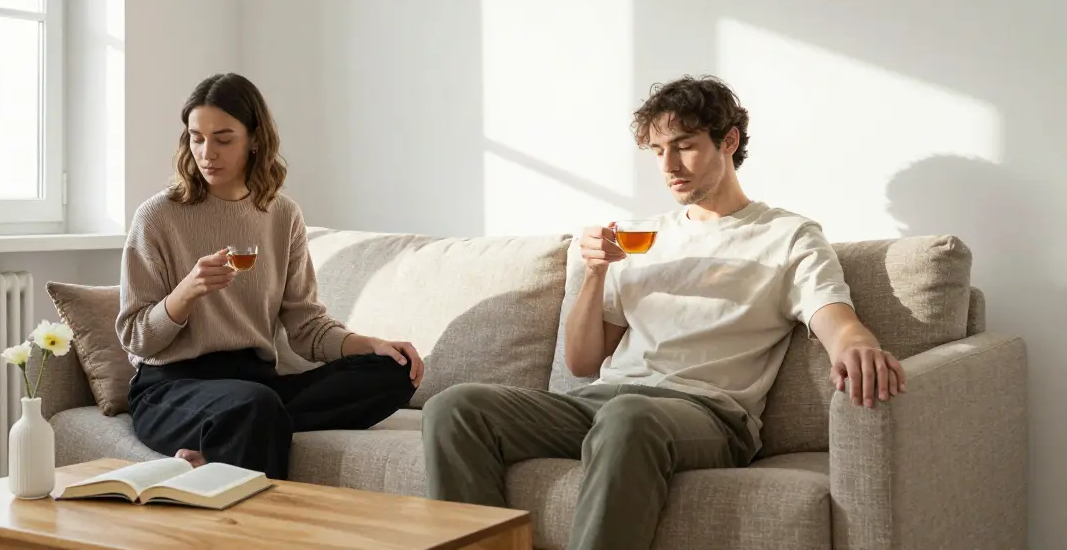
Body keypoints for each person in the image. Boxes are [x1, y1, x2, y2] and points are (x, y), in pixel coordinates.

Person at [421, 75, 905, 550]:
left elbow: (834, 318)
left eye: (685, 145)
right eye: (658, 151)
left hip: (706, 415)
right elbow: (583, 363)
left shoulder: (788, 236)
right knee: (456, 408)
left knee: (631, 417)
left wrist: (858, 346)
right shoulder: (642, 238)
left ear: (728, 141)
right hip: (605, 404)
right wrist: (594, 275)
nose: (670, 164)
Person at [118, 73, 423, 479]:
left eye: (223, 138)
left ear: (255, 139)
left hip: (258, 384)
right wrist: (185, 294)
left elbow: (306, 326)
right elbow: (136, 337)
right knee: (253, 405)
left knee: (394, 371)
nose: (207, 152)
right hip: (172, 388)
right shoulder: (157, 217)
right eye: (196, 137)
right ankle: (249, 467)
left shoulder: (282, 215)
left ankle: (231, 441)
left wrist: (370, 344)